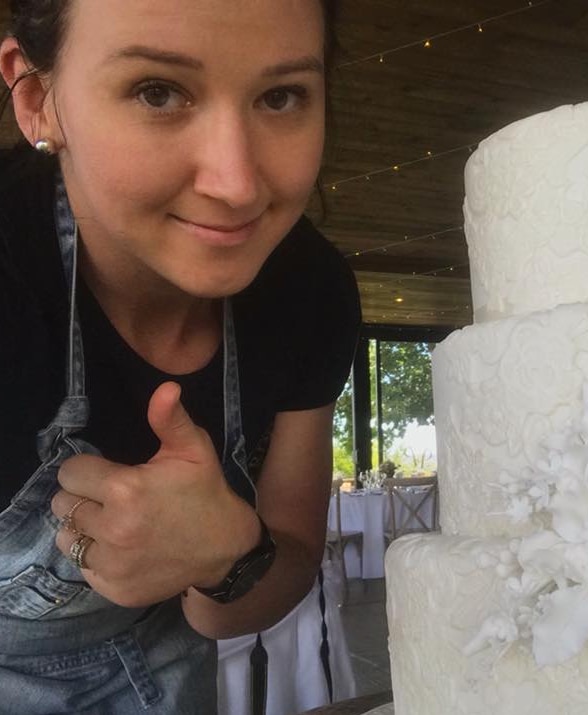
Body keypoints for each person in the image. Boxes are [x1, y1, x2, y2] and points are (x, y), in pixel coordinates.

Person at [0, 0, 360, 712]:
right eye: (157, 91)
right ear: (38, 98)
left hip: (169, 675)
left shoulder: (311, 294)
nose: (235, 183)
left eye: (281, 96)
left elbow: (261, 581)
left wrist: (230, 555)